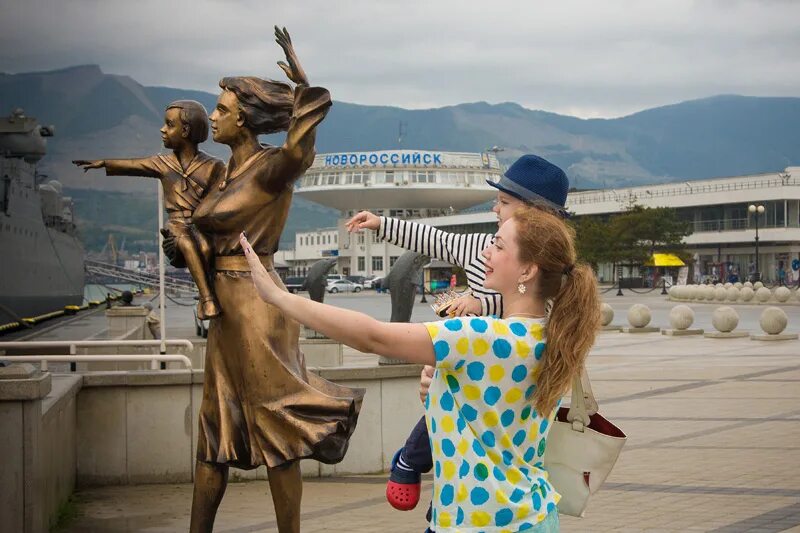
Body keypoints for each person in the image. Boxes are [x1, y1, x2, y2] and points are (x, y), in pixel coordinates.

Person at [241, 203, 600, 532]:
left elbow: (373, 337)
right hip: (531, 515)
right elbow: (492, 412)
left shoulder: (480, 336)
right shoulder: (553, 337)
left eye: (499, 245)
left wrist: (278, 297)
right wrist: (441, 387)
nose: (486, 251)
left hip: (482, 521)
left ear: (528, 269)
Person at [164, 28, 363, 533]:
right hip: (224, 313)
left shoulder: (271, 168)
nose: (212, 117)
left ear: (244, 118)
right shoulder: (220, 175)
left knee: (276, 430)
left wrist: (303, 89)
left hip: (257, 304)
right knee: (215, 428)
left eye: (222, 109)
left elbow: (299, 151)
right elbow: (197, 235)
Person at [345, 154, 569, 515]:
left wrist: (480, 306)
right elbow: (436, 240)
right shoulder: (482, 249)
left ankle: (416, 467)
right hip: (472, 387)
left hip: (509, 395)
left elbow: (532, 323)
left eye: (505, 202)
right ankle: (420, 471)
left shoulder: (551, 270)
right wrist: (382, 224)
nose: (496, 208)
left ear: (535, 215)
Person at [73, 100, 225, 320]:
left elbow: (221, 198)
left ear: (185, 130)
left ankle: (213, 292)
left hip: (200, 224)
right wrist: (104, 163)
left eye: (169, 125)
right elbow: (133, 165)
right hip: (176, 224)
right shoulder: (162, 164)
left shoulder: (214, 166)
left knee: (206, 246)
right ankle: (208, 298)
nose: (163, 130)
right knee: (186, 243)